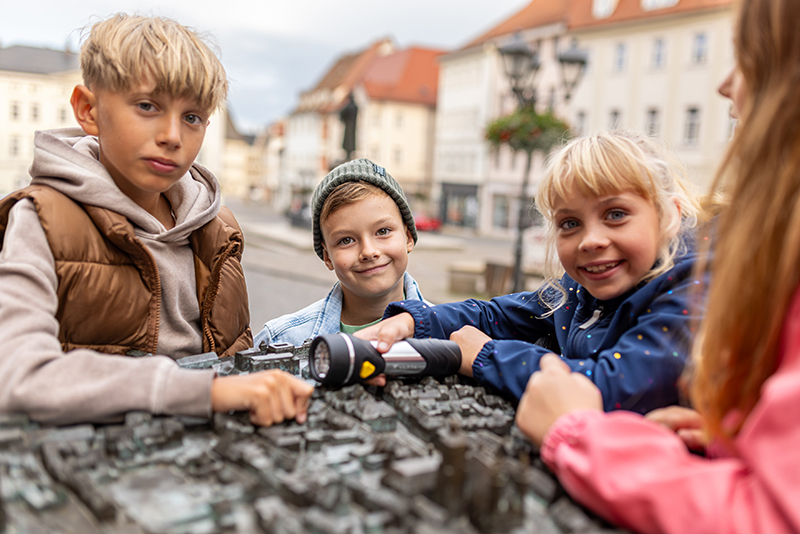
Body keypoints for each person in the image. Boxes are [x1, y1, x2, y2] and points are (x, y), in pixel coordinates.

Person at [513, 0, 800, 531]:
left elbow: (775, 518)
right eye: (569, 224)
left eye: (749, 58)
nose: (726, 85)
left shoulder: (689, 282)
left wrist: (576, 433)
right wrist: (730, 440)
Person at [0, 14, 312, 427]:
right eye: (148, 106)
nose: (172, 135)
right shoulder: (43, 219)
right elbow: (18, 376)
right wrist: (205, 392)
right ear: (88, 110)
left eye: (193, 117)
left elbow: (237, 360)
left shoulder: (218, 230)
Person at [360, 131, 701, 414]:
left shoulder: (692, 290)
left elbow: (615, 386)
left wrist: (484, 356)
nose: (591, 241)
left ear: (668, 216)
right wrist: (414, 322)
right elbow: (497, 316)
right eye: (570, 223)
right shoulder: (579, 289)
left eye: (615, 214)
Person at [253, 158, 428, 347]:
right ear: (327, 256)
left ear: (408, 237)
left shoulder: (453, 334)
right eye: (346, 240)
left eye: (383, 231)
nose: (369, 252)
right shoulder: (280, 341)